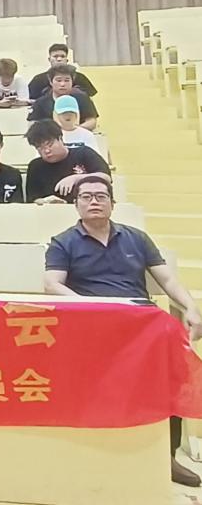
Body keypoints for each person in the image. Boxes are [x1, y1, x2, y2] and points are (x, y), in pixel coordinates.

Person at [42, 176, 202, 488]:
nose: (94, 201)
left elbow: (168, 280)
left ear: (112, 204)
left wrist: (192, 307)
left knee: (174, 370)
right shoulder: (63, 242)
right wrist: (96, 308)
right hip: (92, 324)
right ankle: (100, 456)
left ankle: (165, 455)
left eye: (101, 196)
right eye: (86, 196)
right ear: (76, 205)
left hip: (140, 324)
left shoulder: (136, 238)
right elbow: (52, 285)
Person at [24, 120, 110, 204]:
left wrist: (76, 178)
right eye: (40, 148)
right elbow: (33, 199)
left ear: (60, 138)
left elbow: (106, 177)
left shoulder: (84, 153)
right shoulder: (35, 166)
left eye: (50, 145)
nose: (47, 151)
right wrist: (45, 201)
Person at [28, 64, 98, 129]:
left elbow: (92, 121)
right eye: (58, 80)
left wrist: (74, 130)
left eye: (67, 80)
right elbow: (32, 123)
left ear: (72, 81)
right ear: (51, 82)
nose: (62, 84)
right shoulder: (41, 102)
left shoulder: (82, 98)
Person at [28, 43, 98, 101]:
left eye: (62, 56)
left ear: (67, 60)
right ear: (49, 59)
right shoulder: (38, 79)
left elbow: (89, 98)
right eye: (55, 56)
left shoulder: (80, 78)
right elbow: (31, 100)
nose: (59, 59)